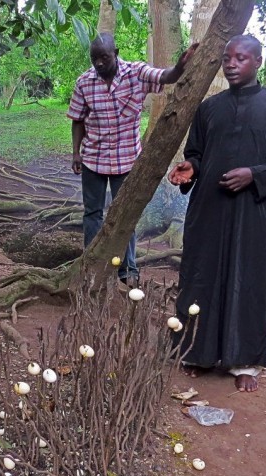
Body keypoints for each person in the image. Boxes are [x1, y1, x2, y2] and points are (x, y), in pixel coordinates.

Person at [168, 35, 266, 393]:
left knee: (250, 279)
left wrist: (254, 175)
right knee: (201, 274)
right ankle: (195, 352)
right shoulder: (209, 108)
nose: (231, 64)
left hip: (253, 212)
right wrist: (191, 167)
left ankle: (245, 362)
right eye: (227, 58)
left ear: (258, 62)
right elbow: (197, 151)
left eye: (240, 58)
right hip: (208, 209)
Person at [68, 33, 198, 287]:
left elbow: (166, 76)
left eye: (104, 57)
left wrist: (181, 66)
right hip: (93, 160)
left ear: (115, 53)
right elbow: (78, 120)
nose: (100, 63)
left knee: (124, 215)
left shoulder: (135, 73)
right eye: (95, 59)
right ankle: (91, 265)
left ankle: (127, 269)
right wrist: (76, 152)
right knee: (92, 214)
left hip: (126, 161)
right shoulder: (84, 82)